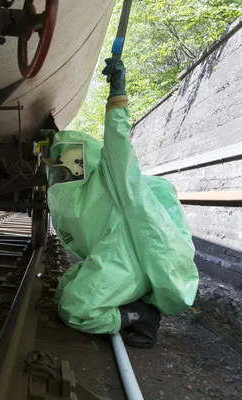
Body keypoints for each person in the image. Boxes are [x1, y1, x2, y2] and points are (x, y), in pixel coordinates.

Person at [46, 58, 199, 348]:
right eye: (59, 164)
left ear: (84, 158)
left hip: (126, 262)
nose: (65, 170)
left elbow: (117, 141)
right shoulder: (66, 192)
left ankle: (141, 315)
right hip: (111, 258)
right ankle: (132, 305)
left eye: (70, 162)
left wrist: (117, 93)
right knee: (65, 287)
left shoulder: (111, 178)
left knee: (74, 309)